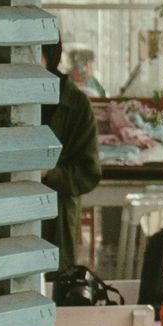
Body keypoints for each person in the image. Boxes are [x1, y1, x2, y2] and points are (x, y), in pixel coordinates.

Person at [42, 36, 102, 271]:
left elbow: (88, 171)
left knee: (53, 285)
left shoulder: (75, 104)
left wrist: (49, 173)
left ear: (51, 56)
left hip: (56, 219)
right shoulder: (9, 96)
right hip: (7, 213)